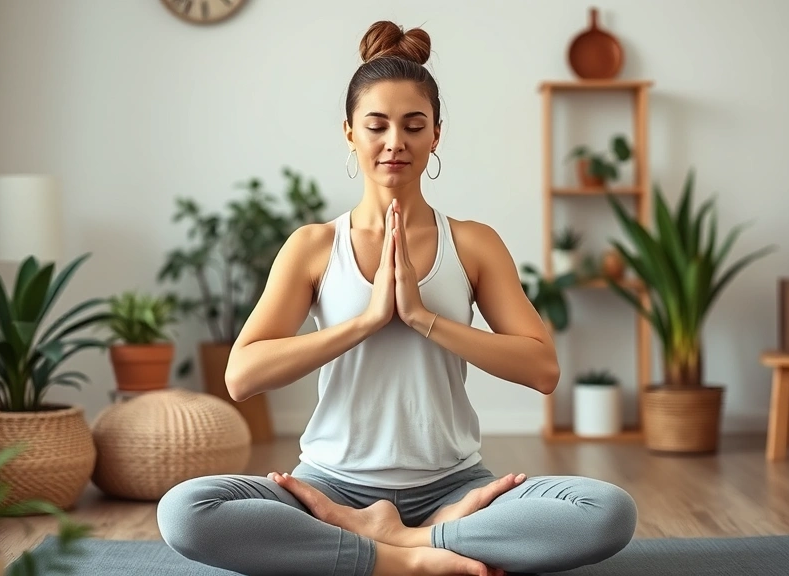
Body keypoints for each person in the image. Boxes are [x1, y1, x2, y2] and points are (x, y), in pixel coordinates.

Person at [156, 20, 637, 576]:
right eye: (377, 125)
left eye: (413, 125)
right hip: (330, 490)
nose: (394, 143)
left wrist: (422, 317)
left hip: (455, 487)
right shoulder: (314, 246)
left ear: (436, 134)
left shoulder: (473, 243)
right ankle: (410, 560)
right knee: (187, 512)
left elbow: (543, 369)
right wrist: (365, 321)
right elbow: (241, 376)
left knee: (605, 511)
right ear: (349, 132)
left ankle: (409, 539)